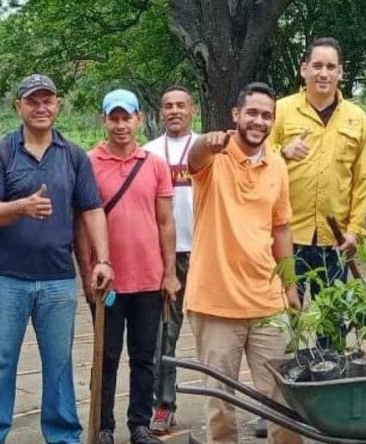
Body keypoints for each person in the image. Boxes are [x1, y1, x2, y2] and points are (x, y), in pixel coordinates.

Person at [0, 74, 113, 444]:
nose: (41, 108)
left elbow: (92, 210)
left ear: (58, 104)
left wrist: (104, 261)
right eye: (32, 101)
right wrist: (21, 207)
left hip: (57, 280)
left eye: (47, 100)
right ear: (18, 106)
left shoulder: (74, 156)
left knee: (60, 364)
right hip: (6, 279)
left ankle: (64, 436)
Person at [185, 82, 302, 444]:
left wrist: (291, 287)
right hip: (216, 302)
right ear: (236, 115)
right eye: (251, 112)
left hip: (267, 302)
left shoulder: (277, 165)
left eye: (267, 115)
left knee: (283, 397)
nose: (258, 120)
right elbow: (195, 158)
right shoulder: (213, 159)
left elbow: (281, 228)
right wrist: (207, 142)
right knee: (221, 403)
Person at [76, 88, 179, 444]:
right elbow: (83, 222)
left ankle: (139, 424)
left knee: (144, 356)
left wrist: (169, 272)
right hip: (108, 281)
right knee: (105, 356)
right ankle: (103, 425)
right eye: (114, 118)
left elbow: (165, 221)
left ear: (138, 119)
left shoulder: (153, 164)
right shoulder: (89, 162)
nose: (121, 125)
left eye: (127, 117)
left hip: (148, 278)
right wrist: (85, 271)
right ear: (104, 120)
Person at [268, 36, 366, 299]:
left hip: (335, 240)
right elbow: (257, 160)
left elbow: (364, 180)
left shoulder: (357, 118)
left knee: (333, 321)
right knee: (286, 316)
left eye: (330, 67)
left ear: (340, 72)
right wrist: (282, 152)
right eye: (317, 66)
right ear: (304, 69)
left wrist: (355, 231)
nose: (323, 73)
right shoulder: (280, 111)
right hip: (287, 236)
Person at [141, 85, 197, 434]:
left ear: (192, 110)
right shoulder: (148, 153)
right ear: (160, 112)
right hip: (167, 256)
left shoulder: (207, 148)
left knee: (220, 336)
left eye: (181, 105)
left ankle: (225, 402)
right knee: (165, 334)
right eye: (168, 106)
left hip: (207, 251)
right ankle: (163, 404)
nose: (174, 110)